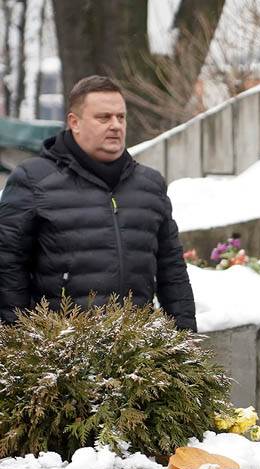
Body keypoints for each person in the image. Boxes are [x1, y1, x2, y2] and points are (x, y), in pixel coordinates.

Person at [0, 75, 195, 329]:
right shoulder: (33, 180)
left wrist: (186, 341)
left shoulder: (150, 185)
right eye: (104, 117)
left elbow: (173, 271)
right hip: (60, 355)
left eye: (121, 117)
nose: (115, 125)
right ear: (75, 122)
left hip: (135, 352)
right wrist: (20, 341)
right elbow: (7, 267)